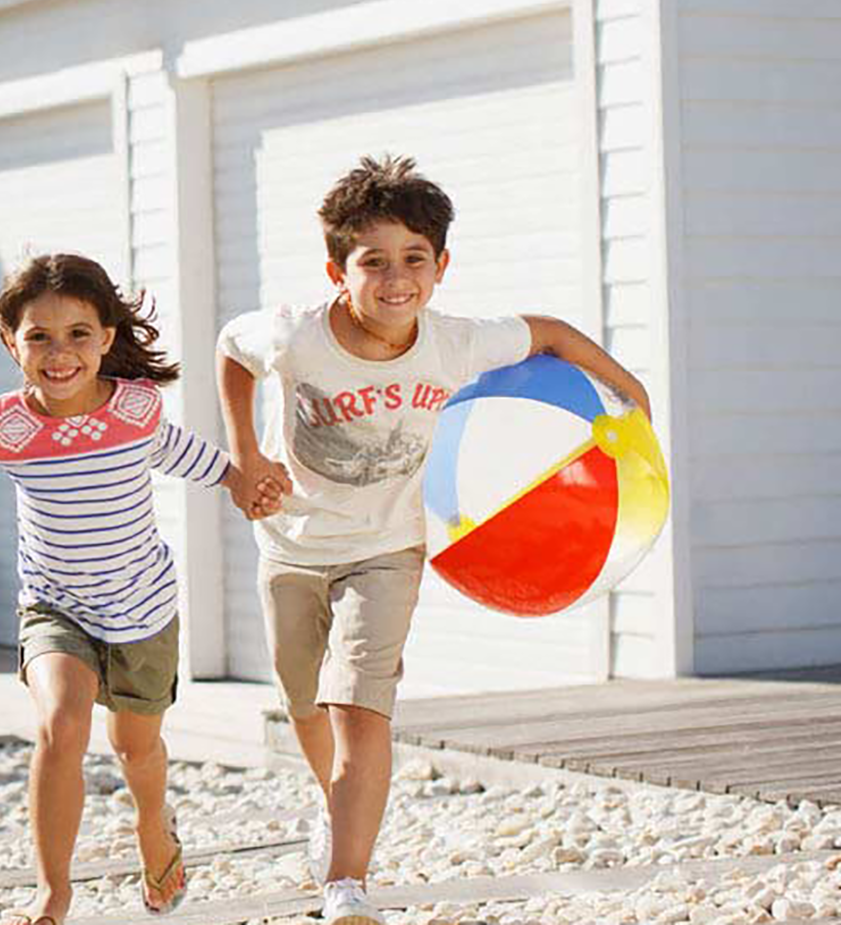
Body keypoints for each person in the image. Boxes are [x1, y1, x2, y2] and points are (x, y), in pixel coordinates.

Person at [215, 154, 651, 925]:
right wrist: (246, 455)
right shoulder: (292, 336)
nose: (396, 278)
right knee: (302, 699)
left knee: (359, 705)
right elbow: (229, 349)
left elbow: (550, 332)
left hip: (389, 549)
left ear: (441, 265)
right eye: (373, 261)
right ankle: (334, 805)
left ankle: (346, 882)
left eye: (415, 258)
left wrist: (630, 389)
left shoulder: (455, 342)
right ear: (336, 270)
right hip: (292, 546)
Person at [0, 254, 278, 925]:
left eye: (79, 334)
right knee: (61, 726)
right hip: (55, 606)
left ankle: (155, 826)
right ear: (11, 342)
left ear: (108, 336)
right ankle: (53, 893)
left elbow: (181, 453)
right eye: (39, 337)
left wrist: (239, 480)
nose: (60, 354)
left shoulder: (135, 411)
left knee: (135, 749)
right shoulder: (11, 426)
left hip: (143, 607)